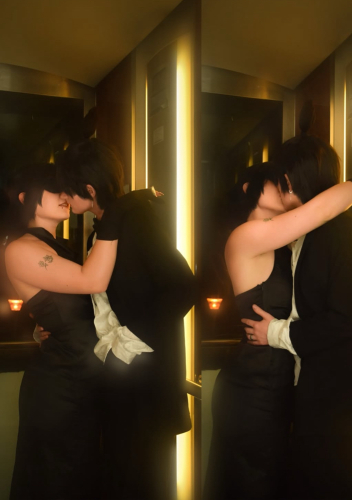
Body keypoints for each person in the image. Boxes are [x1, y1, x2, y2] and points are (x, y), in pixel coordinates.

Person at [204, 119, 352, 500]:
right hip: (254, 388)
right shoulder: (247, 236)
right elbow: (321, 209)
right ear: (249, 189)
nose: (283, 184)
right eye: (275, 180)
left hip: (293, 393)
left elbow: (347, 317)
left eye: (285, 178)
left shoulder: (293, 240)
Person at [53, 139, 196, 500]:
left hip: (146, 380)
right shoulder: (106, 226)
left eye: (67, 189)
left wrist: (125, 346)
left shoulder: (137, 219)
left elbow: (183, 287)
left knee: (146, 480)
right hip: (122, 379)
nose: (63, 197)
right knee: (121, 477)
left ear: (89, 189)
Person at [4, 162, 131, 500]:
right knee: (58, 480)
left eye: (65, 187)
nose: (64, 194)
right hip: (59, 387)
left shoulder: (58, 246)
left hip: (81, 379)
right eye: (53, 188)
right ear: (25, 198)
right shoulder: (20, 248)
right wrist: (115, 210)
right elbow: (93, 281)